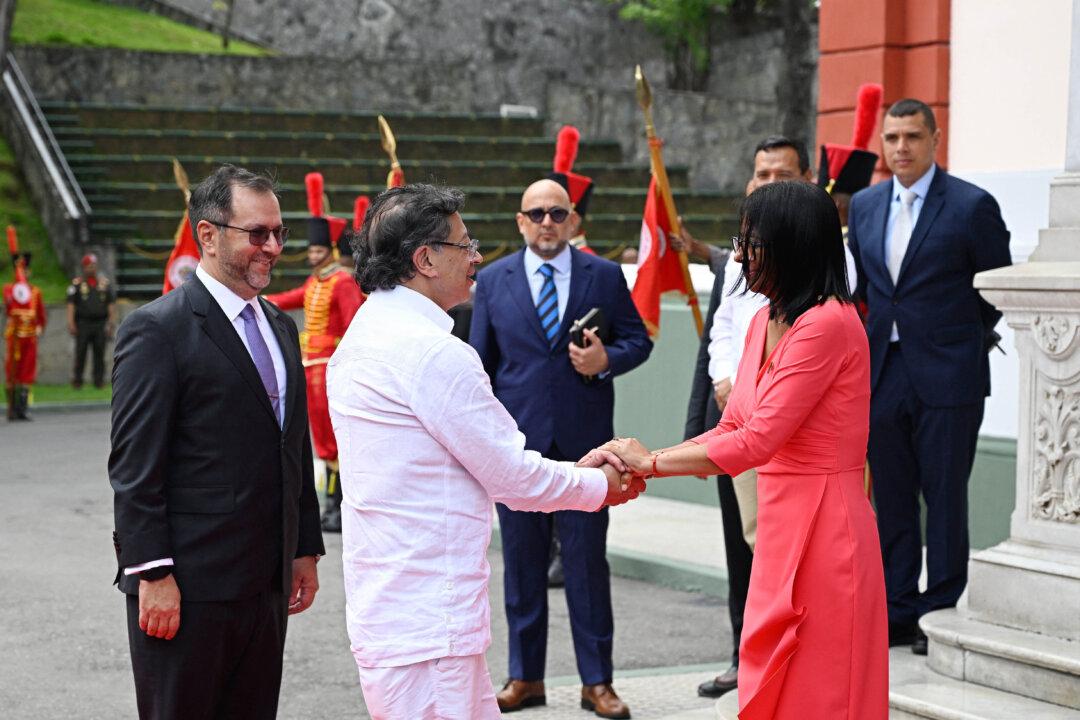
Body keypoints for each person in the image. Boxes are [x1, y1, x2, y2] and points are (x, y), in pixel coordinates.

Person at [325, 183, 644, 720]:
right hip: (432, 622)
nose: (476, 256)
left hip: (397, 610)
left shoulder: (366, 332)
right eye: (464, 244)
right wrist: (600, 485)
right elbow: (511, 476)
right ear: (424, 258)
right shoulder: (433, 353)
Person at [600, 180, 889, 720]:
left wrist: (651, 463)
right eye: (742, 240)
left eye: (752, 243)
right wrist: (652, 460)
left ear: (793, 245)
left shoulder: (828, 324)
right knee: (774, 679)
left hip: (827, 529)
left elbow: (757, 441)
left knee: (823, 686)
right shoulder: (761, 320)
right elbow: (734, 422)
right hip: (780, 523)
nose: (739, 254)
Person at [109, 164, 325, 719]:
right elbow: (136, 468)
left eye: (279, 233)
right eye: (258, 233)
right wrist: (152, 574)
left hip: (265, 586)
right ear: (208, 235)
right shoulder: (157, 329)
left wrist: (303, 546)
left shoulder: (280, 325)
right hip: (188, 590)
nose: (274, 247)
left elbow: (290, 445)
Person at [469, 178, 653, 719]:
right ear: (520, 222)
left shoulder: (604, 274)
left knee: (586, 564)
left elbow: (637, 339)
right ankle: (525, 678)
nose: (547, 222)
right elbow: (479, 365)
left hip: (586, 448)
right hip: (517, 448)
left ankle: (597, 682)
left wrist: (607, 361)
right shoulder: (495, 280)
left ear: (573, 220)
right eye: (536, 214)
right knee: (522, 566)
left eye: (557, 213)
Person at [846, 98, 1011, 655]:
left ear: (935, 139)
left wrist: (951, 340)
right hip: (882, 374)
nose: (901, 148)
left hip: (949, 377)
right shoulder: (865, 207)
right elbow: (865, 293)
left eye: (912, 136)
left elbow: (993, 293)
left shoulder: (970, 206)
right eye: (891, 138)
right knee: (891, 499)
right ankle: (897, 609)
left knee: (943, 498)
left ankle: (937, 610)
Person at [676, 135, 827, 698]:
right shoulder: (746, 260)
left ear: (807, 180)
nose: (768, 184)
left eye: (780, 175)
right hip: (736, 413)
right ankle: (749, 655)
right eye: (760, 174)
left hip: (787, 433)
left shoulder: (824, 279)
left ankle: (788, 659)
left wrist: (656, 462)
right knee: (745, 549)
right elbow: (724, 326)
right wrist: (725, 381)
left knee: (783, 556)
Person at [266, 172, 364, 533]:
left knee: (334, 438)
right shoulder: (316, 282)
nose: (313, 256)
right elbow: (287, 299)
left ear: (332, 251)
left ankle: (338, 504)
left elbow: (354, 323)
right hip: (310, 365)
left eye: (319, 250)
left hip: (330, 365)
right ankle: (330, 504)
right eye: (310, 251)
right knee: (321, 439)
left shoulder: (342, 282)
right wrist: (254, 299)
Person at [4, 235, 45, 422]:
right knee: (12, 371)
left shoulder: (36, 292)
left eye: (26, 270)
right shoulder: (9, 289)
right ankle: (12, 408)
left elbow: (41, 316)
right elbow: (9, 306)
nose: (24, 273)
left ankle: (23, 408)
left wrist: (39, 328)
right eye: (22, 269)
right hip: (15, 337)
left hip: (30, 337)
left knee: (27, 373)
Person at [66, 252, 117, 389]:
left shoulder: (104, 284)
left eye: (94, 266)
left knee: (99, 353)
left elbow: (111, 304)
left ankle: (99, 381)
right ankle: (78, 381)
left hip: (100, 323)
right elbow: (71, 305)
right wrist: (71, 323)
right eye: (89, 266)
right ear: (84, 267)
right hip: (82, 323)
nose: (92, 268)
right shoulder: (77, 285)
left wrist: (111, 322)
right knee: (80, 352)